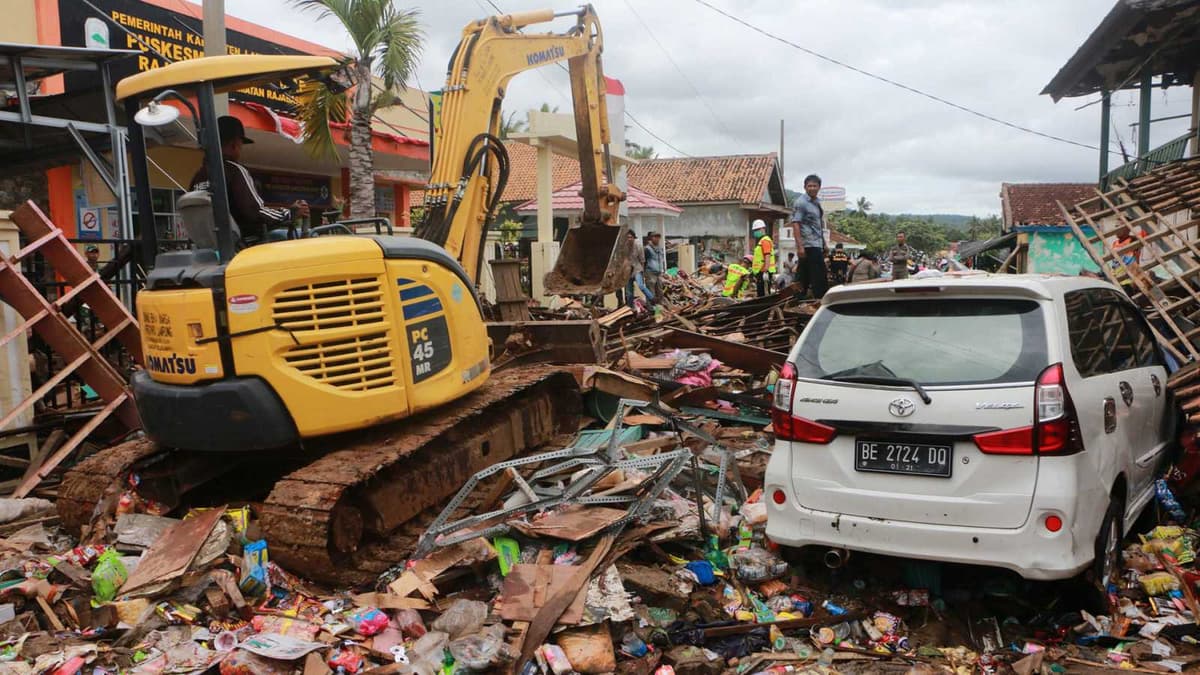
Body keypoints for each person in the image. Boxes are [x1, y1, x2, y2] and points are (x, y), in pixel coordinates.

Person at [191, 116, 309, 247]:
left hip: (210, 247)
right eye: (241, 145)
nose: (241, 149)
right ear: (234, 144)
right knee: (310, 235)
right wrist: (289, 213)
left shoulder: (197, 177)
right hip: (242, 244)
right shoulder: (235, 171)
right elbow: (254, 212)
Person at [790, 174, 828, 299]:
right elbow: (796, 224)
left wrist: (824, 244)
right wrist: (800, 247)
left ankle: (798, 299)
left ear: (819, 187)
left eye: (814, 186)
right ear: (805, 187)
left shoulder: (817, 203)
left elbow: (818, 226)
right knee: (819, 276)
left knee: (803, 275)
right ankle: (820, 300)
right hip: (808, 245)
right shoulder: (801, 202)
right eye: (809, 186)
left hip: (816, 243)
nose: (812, 188)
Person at [624, 230, 653, 308]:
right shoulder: (624, 246)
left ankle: (652, 299)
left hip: (637, 268)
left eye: (631, 237)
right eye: (627, 237)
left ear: (634, 238)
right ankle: (630, 308)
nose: (629, 239)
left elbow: (642, 259)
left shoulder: (638, 245)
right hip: (627, 270)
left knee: (641, 285)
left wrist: (642, 271)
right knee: (629, 292)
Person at [750, 219, 776, 296]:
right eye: (754, 230)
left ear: (762, 229)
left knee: (764, 293)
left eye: (756, 230)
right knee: (761, 293)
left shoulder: (765, 241)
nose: (755, 232)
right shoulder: (761, 241)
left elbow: (767, 255)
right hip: (760, 272)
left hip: (764, 272)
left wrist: (765, 270)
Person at [643, 231, 665, 304]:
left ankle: (659, 310)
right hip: (650, 273)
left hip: (658, 273)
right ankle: (651, 310)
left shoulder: (659, 248)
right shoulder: (647, 249)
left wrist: (663, 270)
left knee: (660, 292)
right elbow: (644, 261)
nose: (657, 239)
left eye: (658, 237)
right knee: (651, 293)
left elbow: (661, 260)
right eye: (655, 237)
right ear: (651, 238)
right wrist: (645, 272)